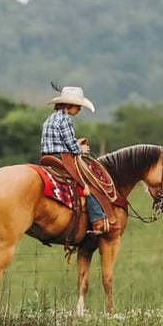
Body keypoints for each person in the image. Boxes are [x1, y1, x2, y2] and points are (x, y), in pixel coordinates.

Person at [40, 86, 115, 235]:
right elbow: (70, 145)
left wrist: (76, 143)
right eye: (78, 106)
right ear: (70, 106)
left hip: (47, 156)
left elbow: (62, 140)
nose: (79, 110)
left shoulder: (52, 118)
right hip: (62, 157)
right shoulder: (66, 119)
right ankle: (98, 222)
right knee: (90, 181)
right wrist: (81, 149)